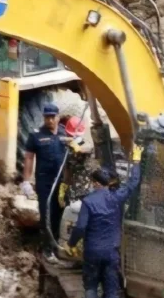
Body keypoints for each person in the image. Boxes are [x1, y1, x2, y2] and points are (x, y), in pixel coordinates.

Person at [64, 151, 144, 298]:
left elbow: (81, 227)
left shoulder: (88, 202)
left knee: (91, 287)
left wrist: (71, 244)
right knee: (111, 290)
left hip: (92, 252)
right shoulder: (117, 197)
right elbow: (133, 183)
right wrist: (136, 162)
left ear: (96, 183)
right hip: (111, 252)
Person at [21, 102, 67, 259]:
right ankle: (47, 248)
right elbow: (28, 158)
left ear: (58, 117)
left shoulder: (65, 134)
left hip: (62, 182)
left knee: (60, 214)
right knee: (46, 213)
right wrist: (26, 181)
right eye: (47, 117)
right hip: (44, 182)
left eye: (53, 117)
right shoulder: (36, 135)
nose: (50, 120)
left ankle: (58, 245)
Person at [59, 115, 96, 207]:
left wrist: (75, 145)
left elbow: (87, 149)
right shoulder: (69, 152)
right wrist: (62, 192)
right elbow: (66, 174)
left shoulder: (87, 144)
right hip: (73, 196)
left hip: (88, 194)